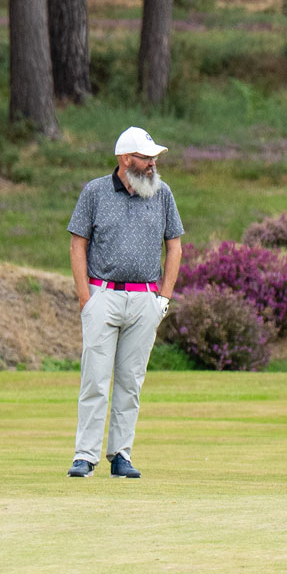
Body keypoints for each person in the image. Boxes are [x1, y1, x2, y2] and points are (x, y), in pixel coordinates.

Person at [65, 126, 184, 478]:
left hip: (145, 299)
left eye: (153, 159)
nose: (151, 165)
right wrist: (86, 298)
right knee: (95, 380)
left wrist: (164, 297)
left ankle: (120, 455)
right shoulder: (95, 192)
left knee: (130, 382)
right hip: (102, 294)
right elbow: (77, 245)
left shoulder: (162, 194)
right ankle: (85, 456)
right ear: (124, 159)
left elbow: (174, 246)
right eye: (145, 158)